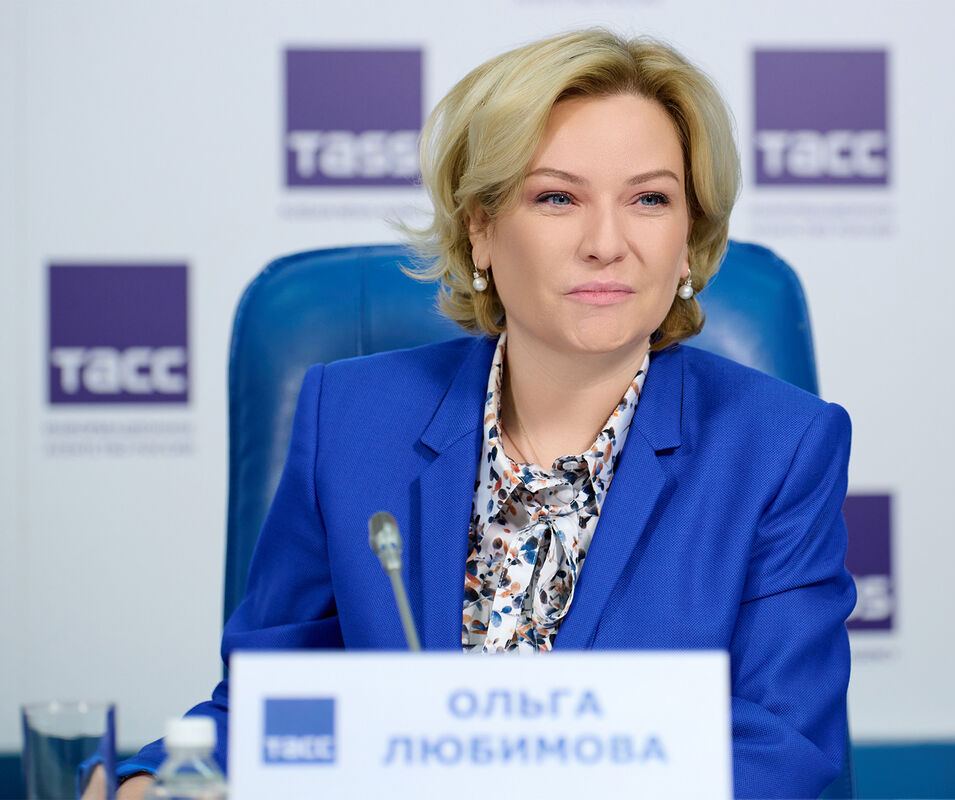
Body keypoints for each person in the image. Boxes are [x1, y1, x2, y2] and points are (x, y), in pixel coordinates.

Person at [87, 28, 855, 799]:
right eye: (557, 197)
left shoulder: (782, 447)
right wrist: (151, 780)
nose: (606, 243)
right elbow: (276, 703)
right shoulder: (348, 421)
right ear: (480, 227)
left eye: (649, 199)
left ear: (689, 238)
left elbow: (780, 748)